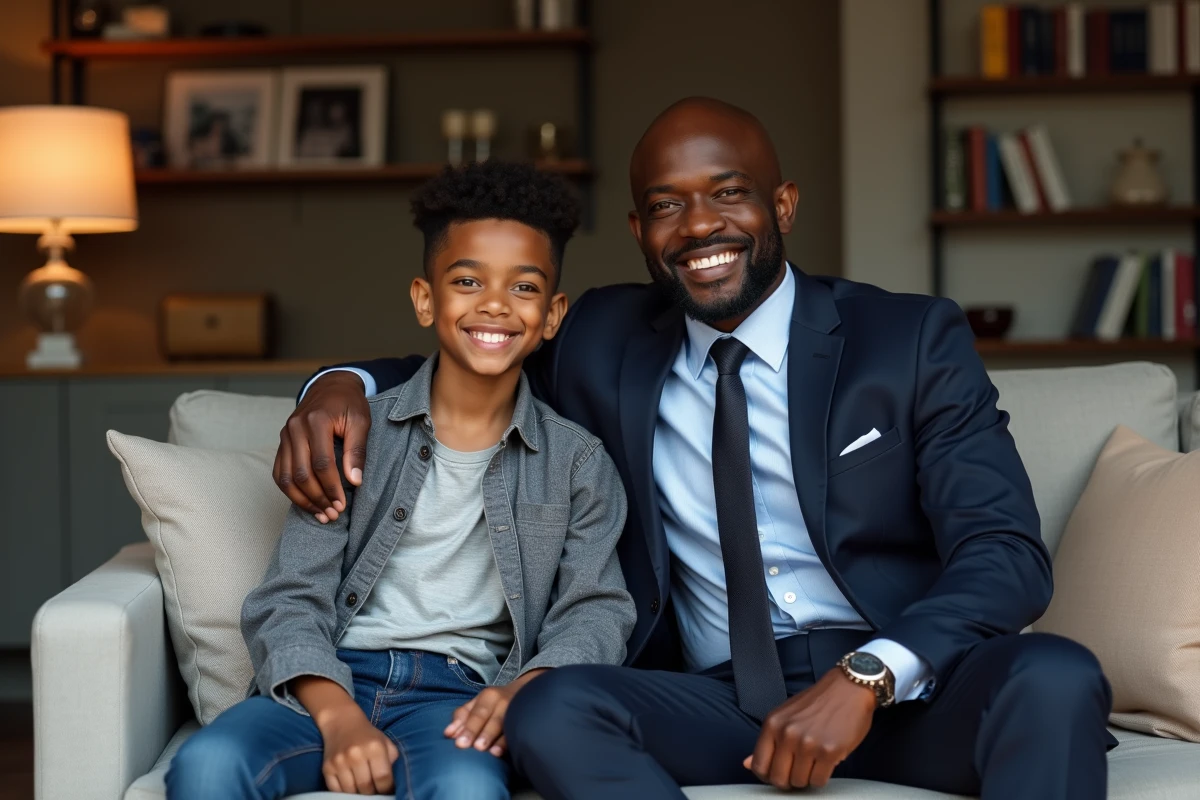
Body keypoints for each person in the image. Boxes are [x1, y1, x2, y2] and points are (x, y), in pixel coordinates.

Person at [277, 98, 1114, 799]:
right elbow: (466, 356)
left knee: (1056, 675)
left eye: (728, 193)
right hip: (718, 702)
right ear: (639, 230)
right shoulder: (600, 338)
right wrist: (337, 385)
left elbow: (1006, 554)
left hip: (904, 697)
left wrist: (867, 675)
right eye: (667, 205)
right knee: (551, 709)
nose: (700, 224)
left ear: (783, 206)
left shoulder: (908, 339)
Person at [166, 160, 636, 800]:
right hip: (329, 681)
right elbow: (291, 597)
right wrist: (339, 719)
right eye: (467, 280)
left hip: (460, 697)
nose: (495, 304)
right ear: (425, 299)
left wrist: (522, 692)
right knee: (209, 765)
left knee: (468, 790)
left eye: (523, 287)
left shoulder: (578, 464)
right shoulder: (355, 437)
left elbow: (595, 610)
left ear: (552, 315)